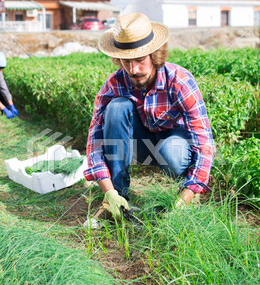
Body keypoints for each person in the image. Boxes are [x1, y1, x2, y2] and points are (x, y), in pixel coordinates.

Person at [83, 13, 215, 227]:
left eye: (140, 60)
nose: (133, 70)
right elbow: (94, 143)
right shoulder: (114, 83)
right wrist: (109, 193)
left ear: (155, 55)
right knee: (116, 108)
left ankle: (187, 195)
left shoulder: (180, 81)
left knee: (170, 152)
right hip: (139, 146)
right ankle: (118, 200)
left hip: (175, 148)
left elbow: (204, 144)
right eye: (126, 62)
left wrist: (192, 190)